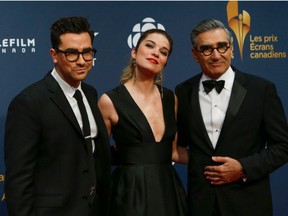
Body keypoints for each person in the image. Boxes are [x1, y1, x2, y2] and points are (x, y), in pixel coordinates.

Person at [175, 18, 288, 216]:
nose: (216, 55)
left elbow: (283, 146)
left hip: (248, 202)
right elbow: (180, 146)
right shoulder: (183, 91)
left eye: (222, 47)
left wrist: (243, 167)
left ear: (232, 48)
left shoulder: (261, 89)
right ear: (195, 54)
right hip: (202, 204)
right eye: (207, 49)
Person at [4, 16, 111, 216]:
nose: (81, 61)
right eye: (71, 53)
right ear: (54, 55)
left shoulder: (90, 93)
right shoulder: (29, 103)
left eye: (87, 52)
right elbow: (19, 180)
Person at [98, 28, 187, 216]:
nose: (156, 53)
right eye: (149, 45)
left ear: (165, 62)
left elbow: (172, 152)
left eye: (164, 52)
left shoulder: (171, 99)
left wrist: (211, 159)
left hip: (167, 191)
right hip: (129, 194)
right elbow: (99, 158)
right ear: (134, 52)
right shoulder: (109, 101)